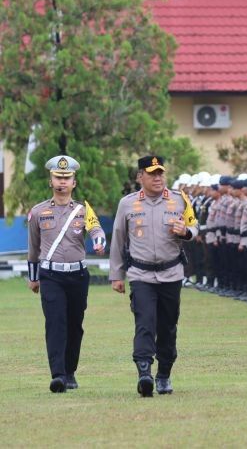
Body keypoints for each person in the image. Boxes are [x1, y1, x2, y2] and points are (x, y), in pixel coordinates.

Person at [108, 156, 198, 397]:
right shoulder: (127, 204)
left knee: (168, 327)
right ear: (140, 177)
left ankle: (164, 374)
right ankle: (144, 372)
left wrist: (186, 232)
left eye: (160, 173)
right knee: (145, 323)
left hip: (171, 274)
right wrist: (116, 274)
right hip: (141, 274)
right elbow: (118, 240)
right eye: (152, 174)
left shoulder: (180, 200)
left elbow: (194, 226)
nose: (158, 178)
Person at [27, 155, 106, 393]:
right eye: (57, 178)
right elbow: (33, 247)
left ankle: (70, 370)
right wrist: (33, 277)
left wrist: (99, 241)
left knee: (75, 324)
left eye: (67, 178)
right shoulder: (39, 212)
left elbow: (96, 229)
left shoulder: (83, 210)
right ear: (50, 181)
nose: (62, 182)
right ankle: (58, 375)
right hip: (51, 276)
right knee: (55, 323)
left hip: (77, 276)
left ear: (74, 182)